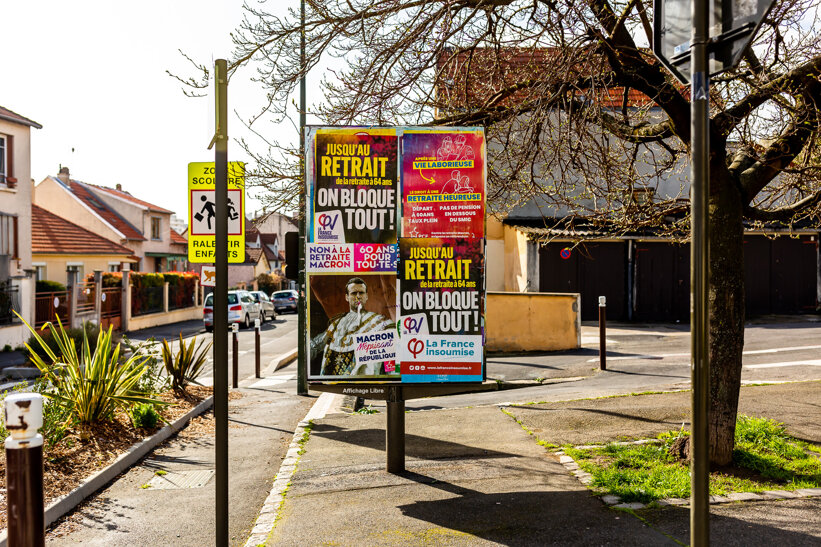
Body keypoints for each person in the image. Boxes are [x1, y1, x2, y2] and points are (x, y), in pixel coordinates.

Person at [311, 277, 394, 376]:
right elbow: (315, 346)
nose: (358, 296)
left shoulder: (381, 323)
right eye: (354, 293)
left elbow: (391, 363)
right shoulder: (337, 324)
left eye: (361, 293)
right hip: (332, 384)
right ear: (347, 297)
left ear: (367, 296)